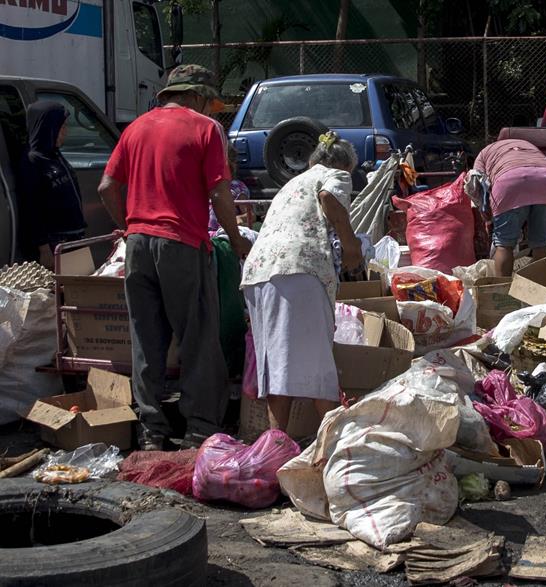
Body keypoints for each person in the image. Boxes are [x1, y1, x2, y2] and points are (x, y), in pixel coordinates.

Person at [98, 65, 253, 451]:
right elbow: (220, 194)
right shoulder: (204, 128)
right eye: (210, 104)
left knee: (146, 341)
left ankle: (152, 432)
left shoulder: (135, 128)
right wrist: (236, 242)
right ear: (197, 96)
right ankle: (200, 430)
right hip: (182, 245)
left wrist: (131, 226)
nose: (213, 113)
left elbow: (107, 187)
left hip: (138, 246)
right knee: (198, 338)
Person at [240, 131, 362, 432]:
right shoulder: (335, 176)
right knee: (317, 367)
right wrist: (351, 246)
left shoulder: (292, 183)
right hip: (297, 271)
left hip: (259, 273)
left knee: (278, 370)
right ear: (344, 166)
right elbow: (329, 197)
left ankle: (276, 446)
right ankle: (337, 445)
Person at [470, 139, 546, 276]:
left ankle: (503, 293)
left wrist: (487, 216)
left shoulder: (483, 154)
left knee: (504, 244)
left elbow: (477, 185)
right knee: (541, 244)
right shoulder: (528, 145)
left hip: (510, 182)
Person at [17, 101, 86, 267]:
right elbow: (31, 207)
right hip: (55, 243)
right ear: (48, 128)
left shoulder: (55, 155)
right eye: (61, 128)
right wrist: (44, 248)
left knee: (78, 287)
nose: (65, 132)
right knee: (58, 290)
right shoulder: (33, 160)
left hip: (73, 239)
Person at [209, 145, 255, 232]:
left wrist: (240, 218)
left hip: (221, 234)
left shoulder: (236, 187)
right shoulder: (204, 185)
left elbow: (250, 215)